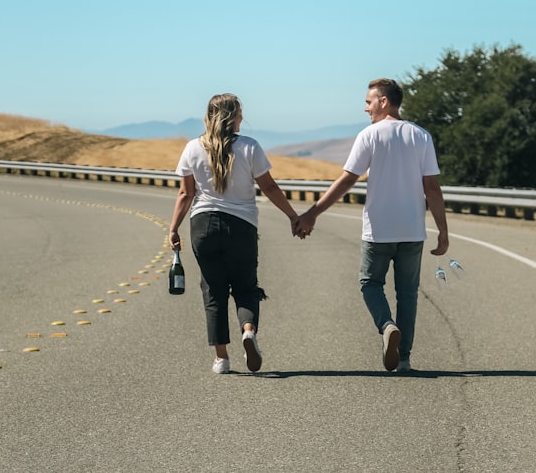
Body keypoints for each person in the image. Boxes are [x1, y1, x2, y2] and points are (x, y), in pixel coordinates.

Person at [294, 78, 449, 373]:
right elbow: (432, 188)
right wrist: (443, 230)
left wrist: (313, 213)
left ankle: (386, 325)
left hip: (378, 230)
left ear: (384, 102)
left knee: (370, 283)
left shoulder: (370, 135)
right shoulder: (421, 136)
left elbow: (348, 180)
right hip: (412, 230)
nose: (366, 108)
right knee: (408, 294)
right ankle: (403, 359)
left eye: (369, 101)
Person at [169, 93, 301, 374]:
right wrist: (292, 216)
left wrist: (173, 228)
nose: (242, 118)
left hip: (202, 226)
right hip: (241, 227)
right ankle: (249, 331)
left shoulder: (192, 148)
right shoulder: (250, 147)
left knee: (213, 290)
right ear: (233, 117)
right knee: (245, 287)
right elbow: (270, 187)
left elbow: (185, 193)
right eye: (240, 113)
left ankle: (221, 359)